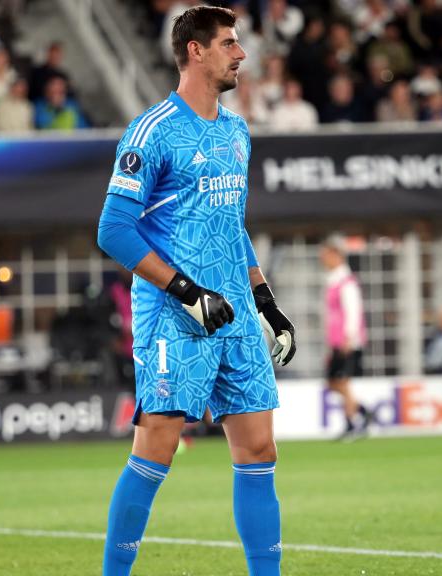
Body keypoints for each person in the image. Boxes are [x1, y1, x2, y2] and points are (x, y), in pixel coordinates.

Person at [95, 7, 296, 575]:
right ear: (195, 52)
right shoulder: (153, 130)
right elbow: (113, 229)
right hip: (173, 315)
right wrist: (184, 290)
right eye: (230, 43)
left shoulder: (235, 130)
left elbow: (230, 226)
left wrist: (266, 302)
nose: (241, 53)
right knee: (156, 446)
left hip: (233, 311)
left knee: (259, 448)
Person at [320, 234, 369, 441]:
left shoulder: (346, 282)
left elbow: (353, 311)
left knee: (343, 381)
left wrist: (349, 337)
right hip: (336, 341)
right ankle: (362, 412)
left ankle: (353, 424)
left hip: (346, 341)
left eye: (325, 255)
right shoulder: (333, 280)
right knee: (333, 382)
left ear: (336, 255)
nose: (323, 259)